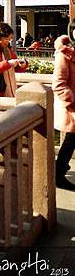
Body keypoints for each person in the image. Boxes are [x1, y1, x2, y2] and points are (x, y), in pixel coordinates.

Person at [52, 35, 75, 190]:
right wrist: (72, 100)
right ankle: (59, 174)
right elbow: (58, 85)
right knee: (70, 141)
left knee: (70, 141)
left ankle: (59, 170)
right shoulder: (64, 55)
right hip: (72, 108)